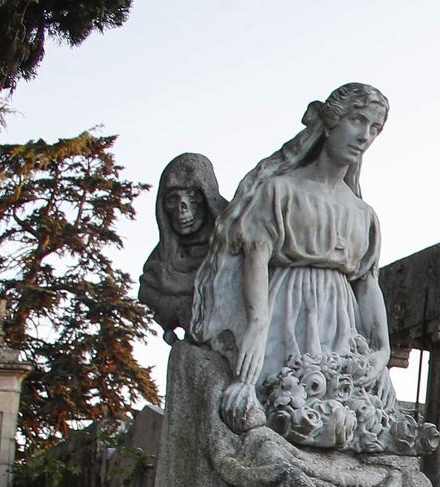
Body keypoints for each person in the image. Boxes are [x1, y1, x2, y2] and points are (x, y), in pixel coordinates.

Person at [190, 81, 408, 441]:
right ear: (329, 122)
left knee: (346, 425)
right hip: (286, 311)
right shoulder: (280, 190)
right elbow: (256, 260)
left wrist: (382, 351)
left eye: (375, 128)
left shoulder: (363, 213)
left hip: (341, 322)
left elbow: (367, 284)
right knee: (284, 415)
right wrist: (257, 328)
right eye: (357, 120)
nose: (365, 136)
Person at [138, 152, 226, 336]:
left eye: (191, 195)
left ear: (207, 195)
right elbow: (148, 291)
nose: (181, 207)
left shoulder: (236, 244)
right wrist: (177, 310)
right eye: (172, 199)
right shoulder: (161, 263)